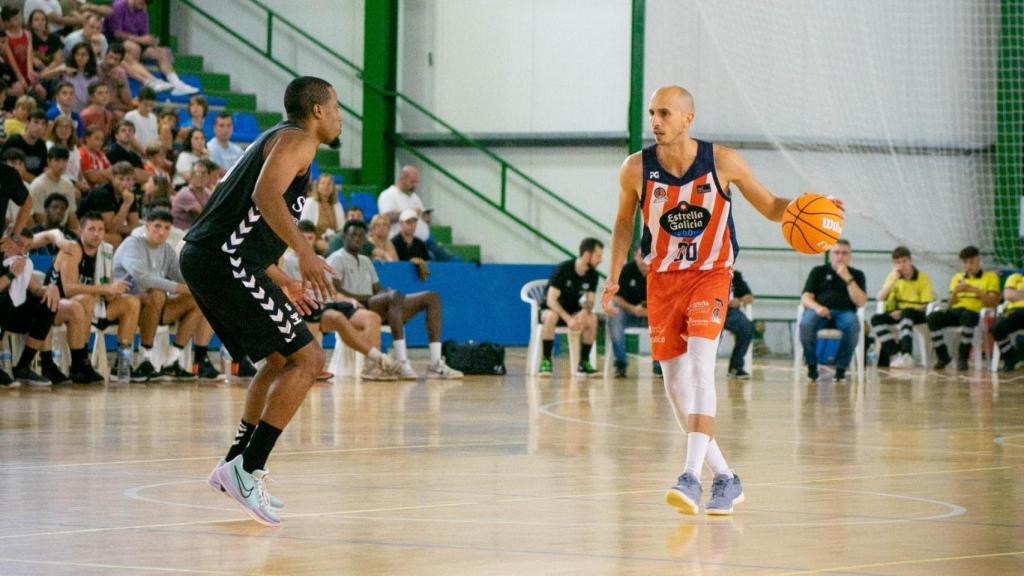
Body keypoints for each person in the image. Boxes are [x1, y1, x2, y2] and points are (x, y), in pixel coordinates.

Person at [602, 86, 845, 516]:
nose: (655, 121)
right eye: (652, 113)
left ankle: (690, 476)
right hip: (662, 280)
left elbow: (771, 207)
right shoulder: (635, 169)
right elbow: (623, 224)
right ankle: (727, 479)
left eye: (665, 113)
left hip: (710, 276)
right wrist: (614, 274)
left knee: (700, 367)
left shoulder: (722, 162)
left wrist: (815, 208)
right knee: (677, 391)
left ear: (688, 118)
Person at [180, 76, 343, 526]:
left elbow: (237, 220)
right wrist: (305, 253)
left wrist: (280, 276)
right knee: (309, 359)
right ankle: (248, 470)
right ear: (316, 111)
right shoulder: (298, 141)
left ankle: (233, 462)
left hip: (219, 258)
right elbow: (264, 196)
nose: (339, 117)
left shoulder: (274, 139)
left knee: (277, 359)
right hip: (224, 261)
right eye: (336, 108)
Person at [328, 219, 463, 381]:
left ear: (365, 239)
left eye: (360, 235)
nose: (357, 238)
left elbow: (378, 290)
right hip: (353, 308)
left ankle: (435, 364)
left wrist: (391, 293)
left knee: (431, 297)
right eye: (353, 235)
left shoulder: (366, 261)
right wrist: (382, 296)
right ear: (344, 237)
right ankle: (402, 362)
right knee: (393, 297)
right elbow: (333, 290)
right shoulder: (336, 258)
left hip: (374, 304)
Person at [283, 220, 400, 380]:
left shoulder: (318, 259)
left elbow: (331, 290)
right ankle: (379, 358)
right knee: (337, 318)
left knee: (372, 317)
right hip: (303, 307)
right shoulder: (286, 260)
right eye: (301, 237)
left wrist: (348, 299)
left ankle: (372, 367)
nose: (305, 242)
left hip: (325, 304)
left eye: (309, 238)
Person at [46, 210, 139, 382]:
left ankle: (122, 362)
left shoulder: (106, 251)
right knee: (85, 300)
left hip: (93, 306)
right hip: (54, 305)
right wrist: (106, 288)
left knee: (131, 302)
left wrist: (115, 291)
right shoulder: (71, 249)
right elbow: (69, 289)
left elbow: (107, 291)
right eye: (91, 229)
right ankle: (80, 363)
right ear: (80, 231)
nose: (97, 234)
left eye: (101, 230)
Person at [113, 207, 202, 381]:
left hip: (154, 309)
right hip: (126, 306)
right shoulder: (133, 244)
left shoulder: (166, 250)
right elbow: (143, 278)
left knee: (197, 299)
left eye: (166, 228)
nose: (161, 232)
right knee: (157, 293)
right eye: (157, 226)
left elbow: (183, 278)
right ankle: (145, 359)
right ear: (147, 226)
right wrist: (178, 288)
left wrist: (201, 284)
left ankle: (172, 361)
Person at [799, 239, 867, 381]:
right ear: (830, 255)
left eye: (844, 253)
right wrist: (817, 307)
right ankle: (812, 365)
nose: (840, 256)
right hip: (820, 311)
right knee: (806, 323)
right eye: (836, 252)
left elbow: (861, 301)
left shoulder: (857, 275)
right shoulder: (818, 271)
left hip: (845, 313)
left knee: (853, 324)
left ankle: (841, 368)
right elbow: (805, 298)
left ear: (849, 256)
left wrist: (848, 278)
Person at [100, 0, 198, 95]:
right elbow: (117, 33)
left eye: (146, 2)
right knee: (133, 48)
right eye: (143, 1)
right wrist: (140, 40)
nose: (144, 4)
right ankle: (148, 81)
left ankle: (177, 84)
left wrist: (150, 42)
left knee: (162, 52)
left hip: (135, 42)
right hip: (115, 43)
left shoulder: (143, 11)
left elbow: (144, 35)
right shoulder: (120, 5)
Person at [927, 245, 1000, 371]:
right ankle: (943, 356)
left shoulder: (990, 277)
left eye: (971, 262)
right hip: (956, 311)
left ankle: (963, 357)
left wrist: (974, 290)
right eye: (965, 262)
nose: (968, 265)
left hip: (976, 313)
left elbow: (993, 302)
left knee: (968, 316)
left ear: (978, 260)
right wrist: (955, 292)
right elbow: (950, 304)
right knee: (933, 317)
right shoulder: (957, 277)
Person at [538, 237, 601, 377]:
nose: (600, 260)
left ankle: (584, 363)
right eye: (598, 255)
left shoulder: (593, 275)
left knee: (592, 319)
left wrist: (584, 312)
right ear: (587, 254)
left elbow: (590, 301)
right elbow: (551, 300)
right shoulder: (564, 269)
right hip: (553, 310)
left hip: (574, 312)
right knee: (551, 316)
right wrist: (568, 319)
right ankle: (546, 361)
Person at [869, 246, 933, 368]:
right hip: (897, 313)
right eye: (898, 263)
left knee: (907, 313)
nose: (901, 265)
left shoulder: (922, 277)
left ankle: (907, 354)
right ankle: (896, 353)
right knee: (876, 319)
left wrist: (903, 311)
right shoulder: (893, 276)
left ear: (910, 261)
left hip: (917, 314)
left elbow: (925, 305)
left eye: (904, 261)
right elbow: (879, 297)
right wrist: (893, 280)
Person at [607, 246, 649, 378]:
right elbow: (615, 297)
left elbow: (668, 299)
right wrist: (633, 309)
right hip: (630, 313)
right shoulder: (626, 271)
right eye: (639, 256)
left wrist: (650, 312)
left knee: (668, 318)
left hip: (653, 315)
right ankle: (620, 363)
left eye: (646, 257)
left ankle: (660, 366)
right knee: (614, 315)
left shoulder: (659, 272)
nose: (643, 261)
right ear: (635, 256)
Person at [29, 146, 78, 230]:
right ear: (49, 162)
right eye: (57, 161)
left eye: (64, 161)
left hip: (63, 230)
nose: (61, 165)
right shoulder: (38, 185)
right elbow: (39, 217)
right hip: (44, 231)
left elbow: (71, 214)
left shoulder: (68, 184)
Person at [377, 165, 429, 240]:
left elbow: (421, 214)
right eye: (412, 182)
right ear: (402, 179)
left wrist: (426, 216)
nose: (415, 185)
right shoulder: (388, 195)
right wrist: (408, 213)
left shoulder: (415, 197)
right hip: (399, 241)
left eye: (416, 182)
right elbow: (386, 218)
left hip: (421, 240)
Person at [299, 174, 344, 255]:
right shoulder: (310, 203)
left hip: (333, 241)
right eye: (323, 183)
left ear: (333, 187)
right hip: (313, 240)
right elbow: (304, 226)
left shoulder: (337, 205)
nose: (326, 186)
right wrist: (316, 241)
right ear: (317, 186)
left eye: (329, 183)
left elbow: (341, 228)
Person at [724, 270, 754, 378]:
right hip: (708, 308)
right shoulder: (706, 270)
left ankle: (735, 367)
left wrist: (740, 301)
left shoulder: (735, 276)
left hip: (729, 312)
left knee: (747, 327)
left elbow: (750, 297)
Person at [993, 272, 1024, 372]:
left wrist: (1018, 293)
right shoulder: (1015, 277)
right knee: (997, 328)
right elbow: (1008, 295)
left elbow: (1013, 294)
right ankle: (1010, 357)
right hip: (1015, 311)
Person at [2, 109, 48, 177]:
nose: (39, 127)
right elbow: (5, 166)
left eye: (43, 124)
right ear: (27, 123)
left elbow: (44, 168)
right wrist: (34, 181)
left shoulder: (41, 145)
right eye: (36, 122)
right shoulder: (14, 141)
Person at [171, 158, 213, 230]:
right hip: (180, 233)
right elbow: (204, 215)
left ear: (208, 177)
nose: (200, 177)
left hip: (194, 231)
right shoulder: (185, 193)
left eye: (204, 173)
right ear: (191, 177)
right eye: (197, 174)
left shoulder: (207, 192)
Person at [60, 42, 96, 112]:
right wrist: (58, 70)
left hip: (85, 112)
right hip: (66, 109)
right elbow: (42, 77)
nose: (79, 57)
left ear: (89, 57)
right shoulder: (66, 68)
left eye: (83, 55)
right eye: (77, 54)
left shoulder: (94, 76)